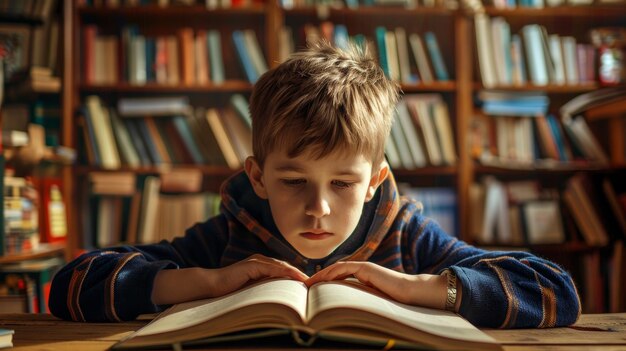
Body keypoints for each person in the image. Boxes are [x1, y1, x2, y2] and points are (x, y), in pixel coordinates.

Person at [49, 41, 580, 328]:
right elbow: (70, 286)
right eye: (293, 181)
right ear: (257, 176)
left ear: (374, 181)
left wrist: (420, 289)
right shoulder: (231, 238)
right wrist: (205, 283)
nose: (318, 208)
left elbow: (556, 293)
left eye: (344, 184)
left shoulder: (408, 238)